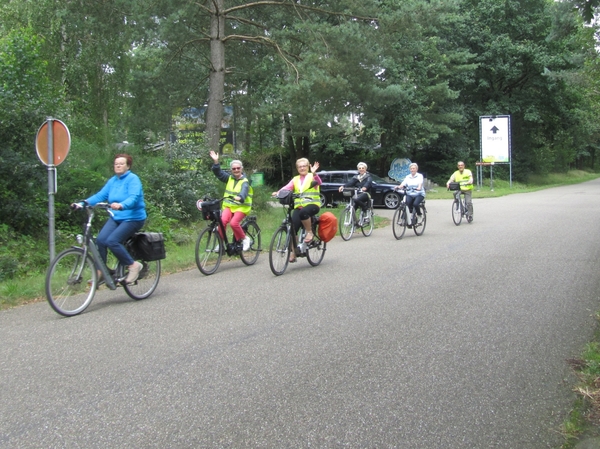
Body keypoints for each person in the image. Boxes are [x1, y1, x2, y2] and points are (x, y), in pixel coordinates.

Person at [72, 154, 146, 284]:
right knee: (101, 240)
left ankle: (133, 265)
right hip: (116, 217)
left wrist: (122, 205)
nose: (118, 165)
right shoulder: (113, 181)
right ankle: (101, 271)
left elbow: (133, 198)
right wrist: (83, 203)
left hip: (133, 218)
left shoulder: (133, 179)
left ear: (128, 166)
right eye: (116, 163)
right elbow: (100, 195)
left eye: (121, 163)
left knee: (112, 241)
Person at [272, 158, 321, 262]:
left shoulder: (312, 176)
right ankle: (295, 252)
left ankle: (309, 232)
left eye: (304, 166)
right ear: (297, 168)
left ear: (308, 166)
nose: (302, 168)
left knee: (304, 213)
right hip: (299, 207)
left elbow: (318, 182)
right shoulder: (295, 179)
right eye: (300, 166)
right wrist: (278, 192)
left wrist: (314, 173)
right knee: (292, 228)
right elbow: (287, 187)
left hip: (313, 205)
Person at [209, 150, 253, 251]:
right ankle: (221, 244)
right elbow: (218, 172)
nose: (236, 170)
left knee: (233, 223)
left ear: (241, 169)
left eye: (238, 168)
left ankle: (245, 239)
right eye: (234, 168)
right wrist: (216, 161)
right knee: (222, 221)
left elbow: (244, 191)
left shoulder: (245, 182)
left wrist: (240, 197)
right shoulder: (229, 178)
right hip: (229, 206)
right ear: (231, 170)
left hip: (241, 207)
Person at [395, 162, 425, 228]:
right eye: (411, 168)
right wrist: (399, 187)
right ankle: (405, 219)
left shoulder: (420, 176)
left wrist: (419, 188)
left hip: (419, 194)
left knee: (415, 204)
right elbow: (403, 183)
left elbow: (420, 183)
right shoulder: (408, 177)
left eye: (413, 168)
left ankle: (419, 215)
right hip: (410, 193)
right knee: (406, 204)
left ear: (416, 169)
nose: (412, 170)